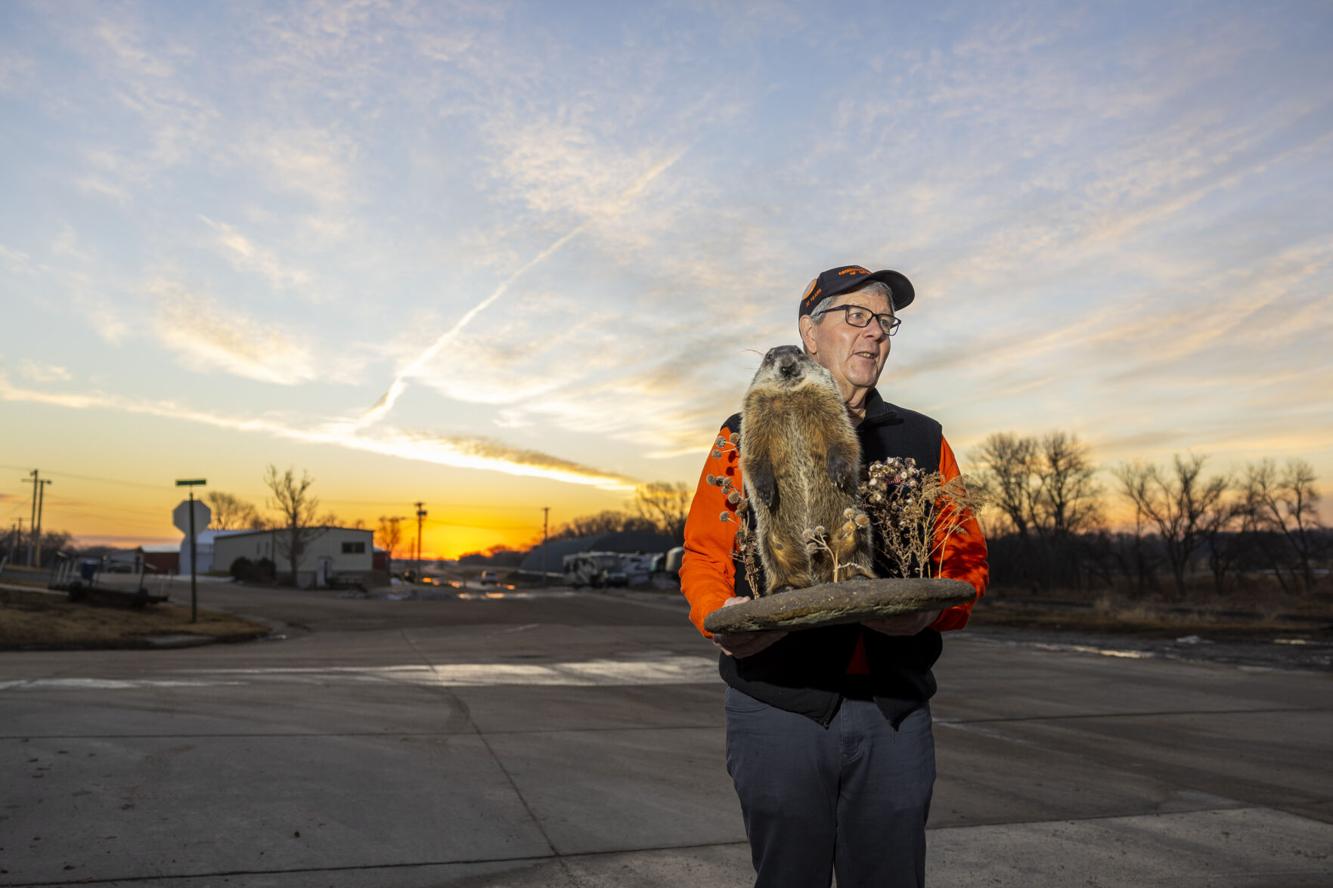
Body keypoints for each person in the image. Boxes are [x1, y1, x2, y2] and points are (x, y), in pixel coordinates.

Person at [679, 264, 989, 888]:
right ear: (808, 333)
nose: (874, 333)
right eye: (856, 316)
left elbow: (966, 561)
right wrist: (723, 622)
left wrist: (932, 612)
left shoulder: (922, 439)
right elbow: (703, 556)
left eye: (885, 321)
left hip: (892, 713)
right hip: (779, 705)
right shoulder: (742, 435)